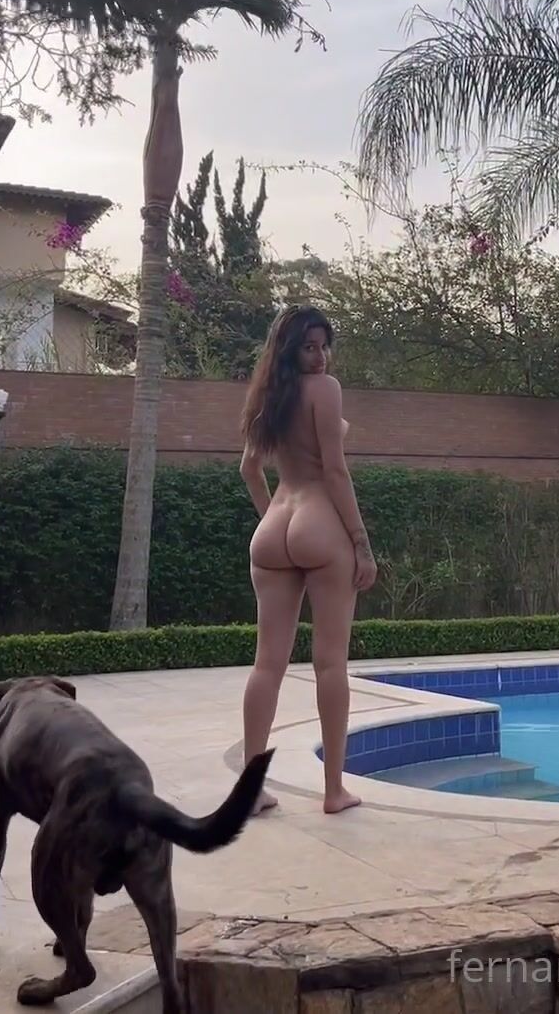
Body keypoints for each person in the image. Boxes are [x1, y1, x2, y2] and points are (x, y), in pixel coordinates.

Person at [238, 305, 377, 815]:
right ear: (291, 350)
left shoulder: (265, 396)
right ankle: (334, 790)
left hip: (275, 527)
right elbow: (335, 473)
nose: (320, 357)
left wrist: (271, 519)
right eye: (309, 347)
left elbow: (250, 469)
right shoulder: (325, 389)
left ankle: (250, 791)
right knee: (330, 663)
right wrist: (361, 543)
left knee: (267, 664)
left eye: (324, 346)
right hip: (319, 523)